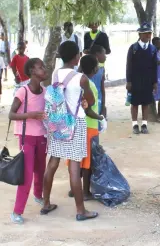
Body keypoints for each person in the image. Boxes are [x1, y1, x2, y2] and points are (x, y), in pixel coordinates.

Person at [41, 41, 98, 221]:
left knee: (52, 164)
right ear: (77, 57)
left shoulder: (55, 74)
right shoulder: (81, 78)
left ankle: (46, 203)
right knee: (74, 168)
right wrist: (85, 101)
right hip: (76, 124)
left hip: (58, 122)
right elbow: (91, 101)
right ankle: (81, 211)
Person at [9, 58, 48, 224]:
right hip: (27, 138)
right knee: (27, 174)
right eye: (41, 67)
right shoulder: (23, 91)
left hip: (42, 136)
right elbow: (11, 114)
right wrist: (31, 115)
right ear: (32, 71)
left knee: (40, 169)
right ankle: (17, 211)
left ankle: (38, 195)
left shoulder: (45, 91)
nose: (45, 69)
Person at [68, 55, 107, 200]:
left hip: (76, 125)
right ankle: (85, 192)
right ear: (94, 68)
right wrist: (101, 118)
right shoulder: (88, 84)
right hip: (89, 126)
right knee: (87, 162)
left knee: (76, 159)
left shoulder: (78, 81)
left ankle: (74, 189)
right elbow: (88, 109)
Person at [126, 22, 157, 134]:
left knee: (146, 103)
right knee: (134, 103)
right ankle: (135, 125)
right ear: (140, 35)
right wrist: (128, 81)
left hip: (148, 81)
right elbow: (128, 65)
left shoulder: (153, 49)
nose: (148, 35)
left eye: (149, 33)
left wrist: (155, 82)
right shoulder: (133, 48)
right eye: (145, 33)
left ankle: (144, 124)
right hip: (135, 81)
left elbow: (155, 67)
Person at [89, 45, 107, 117]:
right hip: (88, 101)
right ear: (97, 54)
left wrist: (103, 106)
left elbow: (102, 89)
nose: (105, 56)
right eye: (104, 54)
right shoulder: (86, 67)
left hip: (98, 101)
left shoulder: (102, 69)